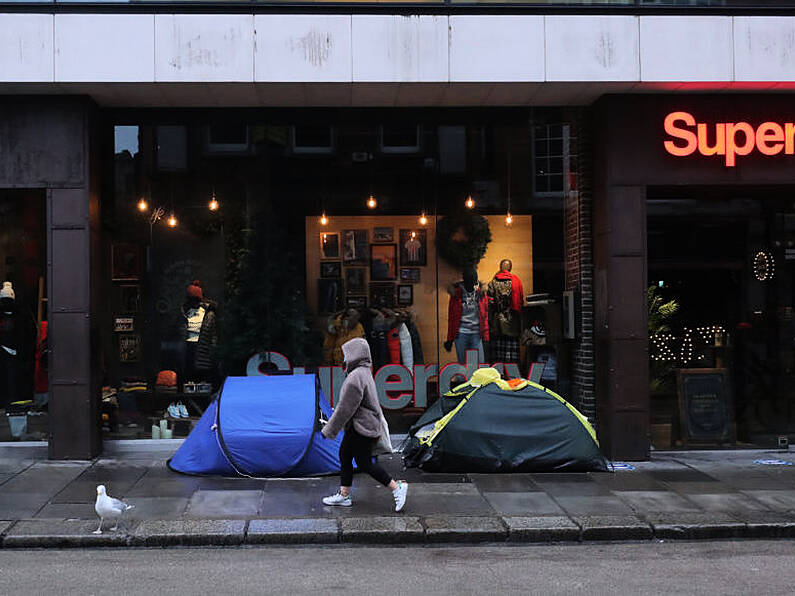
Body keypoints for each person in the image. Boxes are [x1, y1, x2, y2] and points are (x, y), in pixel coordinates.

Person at [321, 337, 408, 512]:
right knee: (345, 455)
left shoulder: (355, 378)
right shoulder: (364, 372)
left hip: (361, 427)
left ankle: (396, 487)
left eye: (346, 354)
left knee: (364, 463)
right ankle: (344, 495)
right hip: (361, 425)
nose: (343, 358)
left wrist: (329, 429)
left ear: (354, 355)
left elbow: (345, 409)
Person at [444, 267, 489, 364]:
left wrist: (486, 337)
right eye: (469, 281)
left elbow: (484, 316)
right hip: (461, 333)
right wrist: (450, 339)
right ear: (465, 281)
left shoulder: (480, 294)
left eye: (473, 282)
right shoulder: (456, 294)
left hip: (476, 333)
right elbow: (452, 319)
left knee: (479, 364)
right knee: (463, 365)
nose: (471, 285)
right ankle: (463, 379)